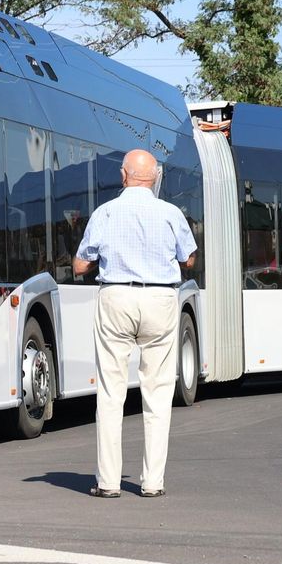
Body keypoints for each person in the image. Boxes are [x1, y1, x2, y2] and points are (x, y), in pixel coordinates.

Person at [73, 149, 197, 499]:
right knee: (157, 392)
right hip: (160, 299)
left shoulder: (105, 212)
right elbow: (188, 258)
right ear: (155, 177)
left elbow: (83, 265)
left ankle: (109, 482)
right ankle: (152, 482)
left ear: (124, 176)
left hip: (116, 298)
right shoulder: (171, 213)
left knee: (111, 393)